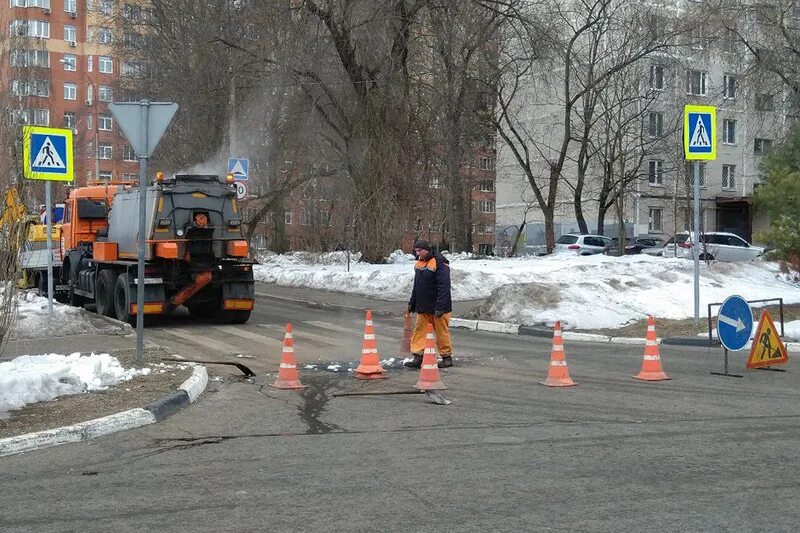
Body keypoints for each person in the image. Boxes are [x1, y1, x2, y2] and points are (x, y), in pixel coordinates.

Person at [404, 239, 454, 369]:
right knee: (419, 331)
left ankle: (446, 357)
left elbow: (444, 286)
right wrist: (412, 302)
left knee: (441, 333)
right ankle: (418, 356)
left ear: (427, 249)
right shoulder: (420, 263)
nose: (418, 253)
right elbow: (417, 286)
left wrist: (441, 307)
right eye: (416, 251)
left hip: (438, 307)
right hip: (423, 305)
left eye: (420, 251)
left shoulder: (439, 262)